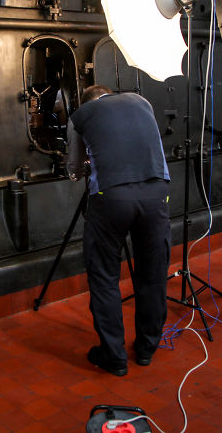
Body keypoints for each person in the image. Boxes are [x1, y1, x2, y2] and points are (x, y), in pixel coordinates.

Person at [67, 84, 171, 376]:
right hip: (156, 193)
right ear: (110, 93)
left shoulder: (80, 115)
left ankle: (113, 356)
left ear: (87, 100)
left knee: (104, 276)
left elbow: (74, 169)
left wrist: (87, 164)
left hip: (112, 199)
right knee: (153, 275)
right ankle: (147, 348)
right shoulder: (141, 101)